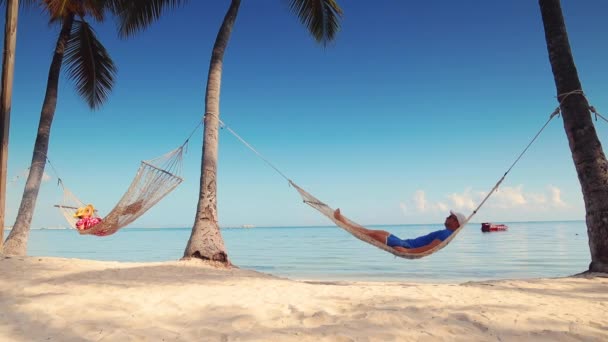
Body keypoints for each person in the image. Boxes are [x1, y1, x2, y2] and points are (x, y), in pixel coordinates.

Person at [333, 208, 467, 253]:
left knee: (373, 234)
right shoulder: (447, 233)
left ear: (456, 222)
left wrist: (408, 251)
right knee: (376, 232)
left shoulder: (445, 234)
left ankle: (343, 222)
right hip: (404, 242)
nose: (447, 217)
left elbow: (429, 247)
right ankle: (344, 222)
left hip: (406, 246)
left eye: (450, 217)